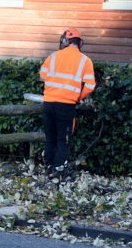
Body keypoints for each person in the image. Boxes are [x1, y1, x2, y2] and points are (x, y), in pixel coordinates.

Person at [39, 28, 96, 178]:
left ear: (65, 41)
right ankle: (58, 172)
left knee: (50, 137)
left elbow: (42, 75)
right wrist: (78, 97)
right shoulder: (85, 60)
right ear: (79, 43)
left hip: (49, 103)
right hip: (67, 105)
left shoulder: (53, 56)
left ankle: (48, 168)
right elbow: (90, 85)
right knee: (63, 140)